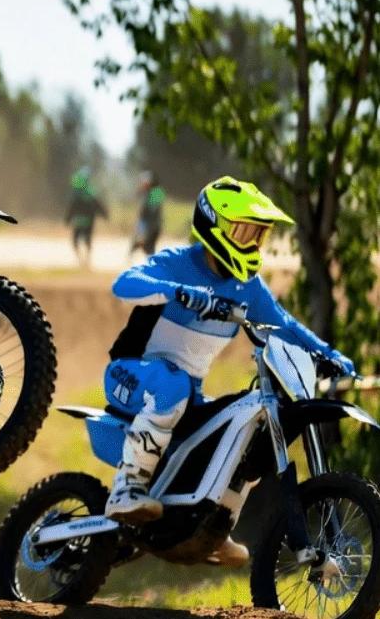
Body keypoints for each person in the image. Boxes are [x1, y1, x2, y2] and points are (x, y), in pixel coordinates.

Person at [102, 175, 355, 567]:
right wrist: (177, 292)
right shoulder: (177, 264)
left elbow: (283, 323)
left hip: (186, 397)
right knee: (172, 385)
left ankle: (212, 527)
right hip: (131, 377)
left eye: (259, 235)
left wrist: (326, 353)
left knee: (241, 430)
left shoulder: (246, 286)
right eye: (244, 231)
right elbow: (124, 283)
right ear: (213, 225)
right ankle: (126, 487)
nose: (252, 243)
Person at [64, 167, 107, 269]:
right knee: (86, 241)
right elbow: (99, 206)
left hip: (80, 222)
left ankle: (83, 260)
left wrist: (68, 219)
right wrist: (104, 214)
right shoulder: (90, 193)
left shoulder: (78, 194)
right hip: (87, 222)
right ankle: (85, 260)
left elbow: (71, 208)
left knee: (76, 241)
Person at [130, 170, 165, 258]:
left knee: (147, 244)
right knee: (140, 243)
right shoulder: (147, 192)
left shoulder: (156, 192)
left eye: (144, 183)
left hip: (152, 224)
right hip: (146, 223)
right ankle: (132, 257)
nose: (142, 185)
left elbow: (153, 210)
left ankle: (146, 259)